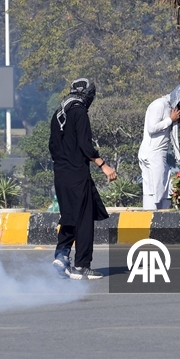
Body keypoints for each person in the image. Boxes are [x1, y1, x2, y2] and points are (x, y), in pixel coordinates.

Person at [50, 78, 117, 280]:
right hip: (77, 173)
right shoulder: (79, 111)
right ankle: (82, 265)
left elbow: (52, 146)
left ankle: (61, 256)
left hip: (60, 173)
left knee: (69, 215)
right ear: (87, 94)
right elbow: (84, 145)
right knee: (85, 218)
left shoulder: (59, 112)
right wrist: (103, 165)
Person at [138, 83, 180, 210]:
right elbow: (152, 128)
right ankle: (150, 219)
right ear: (177, 96)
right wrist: (170, 120)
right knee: (154, 190)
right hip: (152, 153)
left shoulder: (171, 107)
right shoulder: (159, 105)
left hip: (161, 154)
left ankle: (161, 220)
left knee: (165, 187)